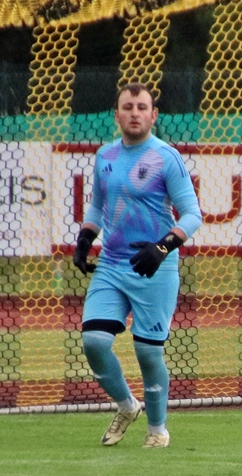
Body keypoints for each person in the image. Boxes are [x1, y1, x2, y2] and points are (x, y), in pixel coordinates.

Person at [71, 83, 202, 448]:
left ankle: (157, 430)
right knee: (94, 341)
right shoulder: (105, 156)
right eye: (127, 107)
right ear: (116, 115)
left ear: (153, 115)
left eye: (141, 107)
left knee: (148, 351)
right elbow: (98, 204)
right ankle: (127, 406)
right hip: (112, 265)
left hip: (155, 268)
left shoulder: (166, 157)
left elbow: (193, 214)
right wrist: (85, 237)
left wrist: (164, 246)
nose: (134, 113)